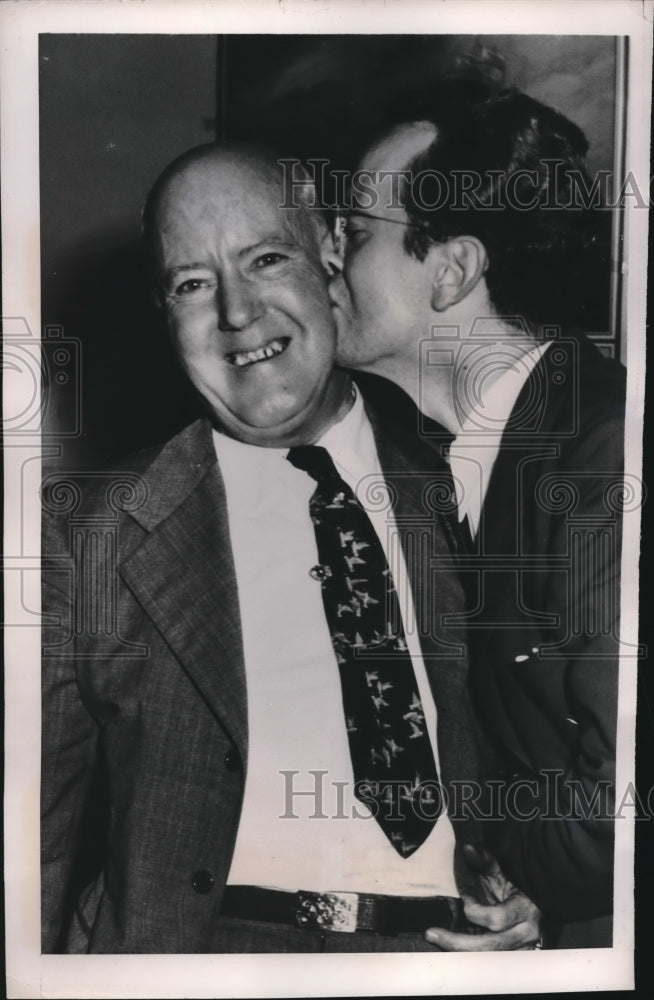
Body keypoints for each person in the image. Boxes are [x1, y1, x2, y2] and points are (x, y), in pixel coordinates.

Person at [41, 142, 540, 953]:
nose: (237, 314)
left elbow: (559, 754)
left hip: (445, 960)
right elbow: (33, 843)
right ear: (162, 311)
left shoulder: (468, 484)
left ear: (331, 253)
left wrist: (534, 896)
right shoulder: (88, 533)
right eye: (192, 284)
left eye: (266, 258)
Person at [330, 90, 625, 948]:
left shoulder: (604, 456)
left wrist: (535, 879)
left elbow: (622, 796)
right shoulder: (480, 455)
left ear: (453, 269)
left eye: (353, 233)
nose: (326, 262)